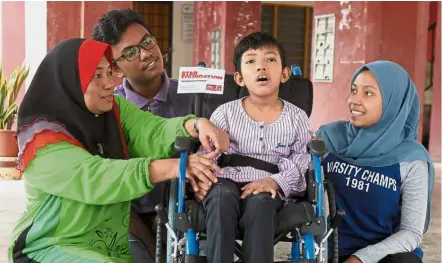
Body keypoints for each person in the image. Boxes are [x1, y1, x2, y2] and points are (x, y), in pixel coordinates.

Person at [8, 38, 228, 263]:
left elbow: (150, 130)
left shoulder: (111, 108)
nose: (109, 83)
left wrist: (195, 125)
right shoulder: (41, 139)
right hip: (50, 248)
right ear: (70, 82)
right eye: (96, 75)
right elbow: (97, 178)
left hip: (108, 248)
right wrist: (175, 167)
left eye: (108, 72)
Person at [197, 32, 312, 263]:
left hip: (269, 186)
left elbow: (303, 159)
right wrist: (203, 180)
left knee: (261, 203)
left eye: (270, 60)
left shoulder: (297, 118)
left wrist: (276, 181)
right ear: (239, 78)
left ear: (285, 73)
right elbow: (206, 154)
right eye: (251, 61)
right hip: (225, 180)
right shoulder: (225, 113)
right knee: (220, 196)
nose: (261, 68)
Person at [91, 9, 195, 262]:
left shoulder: (194, 97)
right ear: (114, 66)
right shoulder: (108, 108)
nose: (147, 53)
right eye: (131, 52)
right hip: (130, 218)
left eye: (147, 41)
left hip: (190, 214)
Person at [316, 61, 435, 263]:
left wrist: (359, 259)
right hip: (329, 249)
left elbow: (411, 233)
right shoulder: (329, 138)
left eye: (368, 93)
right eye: (354, 90)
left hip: (383, 255)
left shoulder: (411, 159)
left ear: (393, 101)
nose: (354, 100)